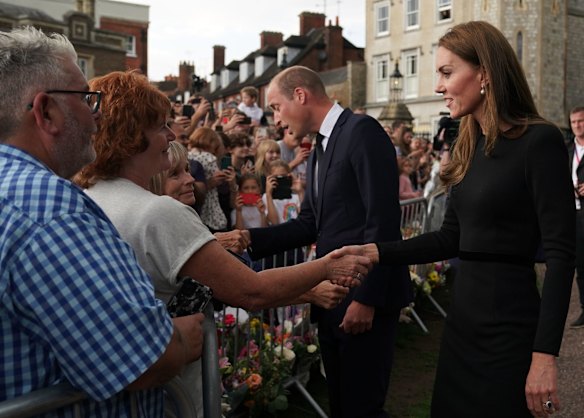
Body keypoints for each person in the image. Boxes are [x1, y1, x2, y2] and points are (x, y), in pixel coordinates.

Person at [73, 70, 371, 415]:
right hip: (170, 397)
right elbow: (252, 291)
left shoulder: (85, 196)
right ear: (129, 136)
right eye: (160, 126)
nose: (171, 135)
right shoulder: (159, 213)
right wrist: (328, 265)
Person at [336, 21, 575, 418]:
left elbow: (562, 255)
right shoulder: (468, 145)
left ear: (484, 73)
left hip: (510, 328)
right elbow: (449, 238)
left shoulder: (540, 141)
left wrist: (545, 354)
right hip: (462, 325)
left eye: (447, 73)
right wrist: (375, 252)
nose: (438, 86)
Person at [0, 27, 205, 417]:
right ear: (46, 112)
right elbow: (144, 359)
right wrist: (180, 338)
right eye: (86, 98)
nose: (97, 114)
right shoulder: (48, 210)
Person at [247, 65, 412, 418]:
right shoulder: (321, 145)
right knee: (341, 404)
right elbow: (310, 224)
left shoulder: (361, 131)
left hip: (363, 300)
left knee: (362, 408)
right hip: (332, 299)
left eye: (276, 106)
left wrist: (366, 299)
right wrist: (247, 239)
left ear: (301, 95)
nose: (276, 120)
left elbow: (381, 222)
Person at [568, 106, 584, 328]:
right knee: (581, 264)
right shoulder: (566, 149)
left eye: (581, 121)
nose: (577, 126)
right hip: (576, 213)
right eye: (574, 122)